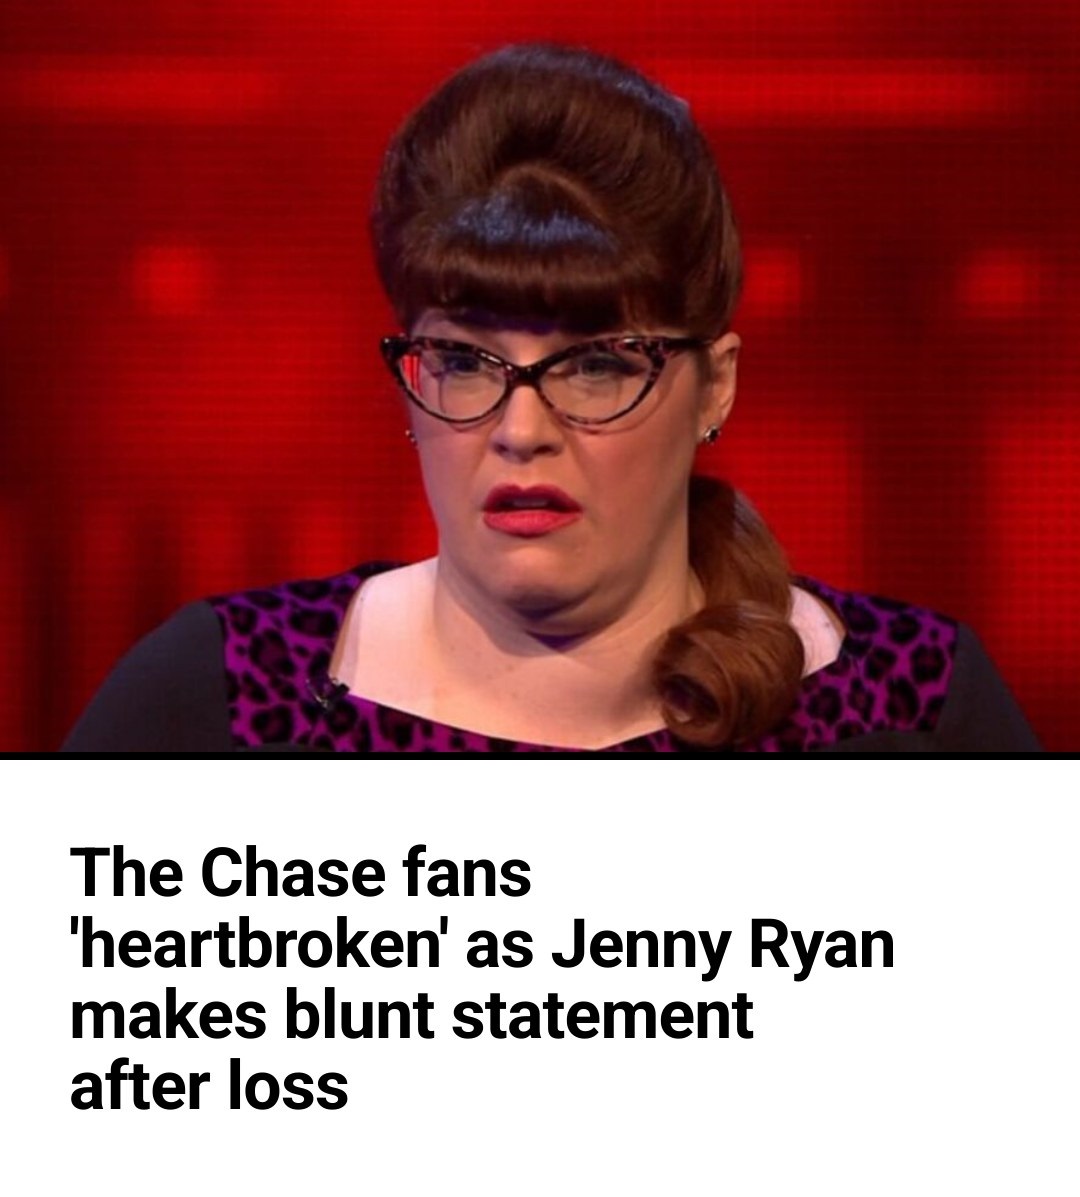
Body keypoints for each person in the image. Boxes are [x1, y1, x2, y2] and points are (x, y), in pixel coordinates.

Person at [63, 43, 1039, 754]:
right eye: (466, 361)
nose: (520, 431)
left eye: (597, 365)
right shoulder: (217, 701)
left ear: (717, 384)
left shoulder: (914, 713)